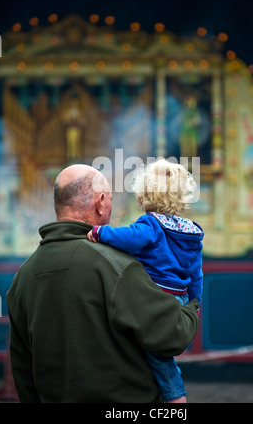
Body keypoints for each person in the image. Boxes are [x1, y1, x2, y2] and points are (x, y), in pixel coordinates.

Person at [6, 163, 200, 403]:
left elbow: (23, 371)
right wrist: (191, 308)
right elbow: (174, 334)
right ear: (99, 203)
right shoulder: (117, 265)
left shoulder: (22, 278)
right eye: (109, 198)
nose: (111, 205)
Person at [87, 158, 204, 402]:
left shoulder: (151, 225)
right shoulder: (190, 232)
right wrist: (194, 303)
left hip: (155, 299)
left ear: (143, 197)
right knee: (160, 354)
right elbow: (196, 274)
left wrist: (100, 232)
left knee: (158, 357)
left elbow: (128, 238)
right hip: (179, 298)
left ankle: (176, 399)